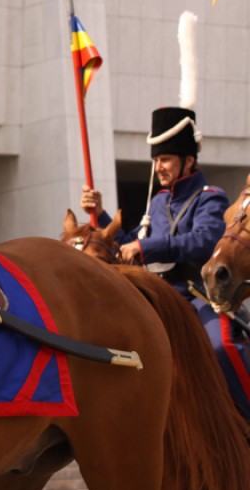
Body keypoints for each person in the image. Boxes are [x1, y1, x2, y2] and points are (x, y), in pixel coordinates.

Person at [80, 106, 250, 421]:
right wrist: (102, 215)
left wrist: (146, 247)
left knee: (221, 346)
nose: (159, 167)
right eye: (156, 160)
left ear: (189, 160)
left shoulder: (209, 197)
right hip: (159, 295)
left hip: (198, 296)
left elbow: (203, 239)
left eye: (166, 159)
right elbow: (130, 241)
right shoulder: (158, 202)